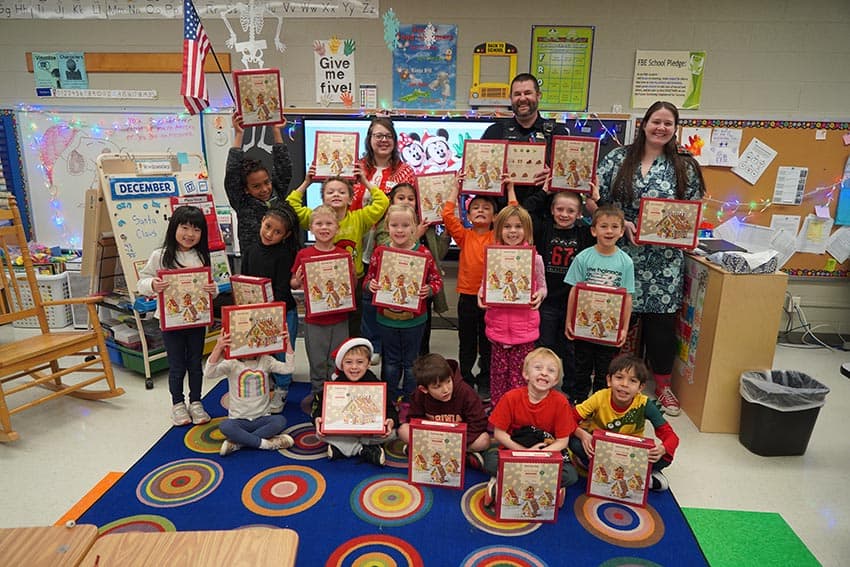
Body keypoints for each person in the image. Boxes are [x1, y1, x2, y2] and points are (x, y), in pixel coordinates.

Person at [596, 101, 706, 416]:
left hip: (665, 262)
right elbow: (597, 199)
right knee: (617, 322)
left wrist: (682, 230)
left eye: (668, 124)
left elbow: (693, 209)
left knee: (660, 327)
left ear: (674, 129)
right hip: (622, 256)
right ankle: (610, 381)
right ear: (644, 124)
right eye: (656, 121)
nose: (661, 128)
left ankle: (663, 386)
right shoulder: (618, 158)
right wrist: (618, 220)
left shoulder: (685, 166)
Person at [137, 205, 219, 426]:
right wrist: (153, 284)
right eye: (184, 227)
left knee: (194, 362)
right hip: (170, 320)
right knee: (176, 365)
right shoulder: (160, 256)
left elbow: (210, 285)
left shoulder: (202, 256)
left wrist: (214, 290)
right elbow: (141, 281)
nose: (189, 234)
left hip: (195, 320)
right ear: (174, 227)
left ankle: (196, 402)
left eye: (196, 229)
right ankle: (177, 404)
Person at [288, 167, 389, 338]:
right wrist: (307, 182)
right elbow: (290, 204)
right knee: (325, 328)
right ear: (323, 198)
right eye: (330, 192)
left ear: (350, 199)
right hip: (321, 283)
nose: (336, 194)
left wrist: (364, 181)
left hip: (353, 282)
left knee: (353, 326)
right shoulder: (315, 218)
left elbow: (382, 202)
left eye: (342, 192)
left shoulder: (359, 218)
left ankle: (352, 360)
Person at [482, 347, 579, 508]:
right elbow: (499, 434)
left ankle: (505, 479)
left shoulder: (561, 402)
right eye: (538, 368)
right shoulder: (510, 397)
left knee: (571, 475)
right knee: (490, 461)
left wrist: (537, 455)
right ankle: (545, 484)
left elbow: (562, 441)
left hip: (546, 451)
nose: (544, 373)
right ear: (526, 374)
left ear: (555, 380)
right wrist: (523, 452)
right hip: (515, 449)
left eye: (551, 370)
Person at [364, 183, 450, 361]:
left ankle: (419, 372)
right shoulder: (385, 233)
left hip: (417, 305)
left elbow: (437, 257)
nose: (406, 202)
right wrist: (415, 234)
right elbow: (374, 271)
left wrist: (446, 232)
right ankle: (392, 387)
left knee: (418, 350)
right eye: (401, 198)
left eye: (411, 199)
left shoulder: (428, 226)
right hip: (388, 309)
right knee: (391, 356)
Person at [365, 204, 443, 401]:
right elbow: (368, 280)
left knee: (411, 362)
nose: (399, 230)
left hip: (414, 320)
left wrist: (430, 289)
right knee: (390, 361)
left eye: (405, 225)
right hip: (386, 319)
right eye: (394, 225)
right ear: (387, 227)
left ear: (414, 227)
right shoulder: (380, 252)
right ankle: (389, 400)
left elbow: (436, 280)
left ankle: (411, 400)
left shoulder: (423, 253)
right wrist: (371, 285)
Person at [568, 354, 679, 491]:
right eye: (619, 378)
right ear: (609, 380)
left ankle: (597, 469)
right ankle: (640, 477)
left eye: (632, 380)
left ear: (640, 387)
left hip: (630, 452)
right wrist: (582, 435)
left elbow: (671, 436)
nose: (624, 385)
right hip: (601, 448)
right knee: (573, 441)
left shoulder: (645, 404)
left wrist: (662, 449)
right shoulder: (600, 397)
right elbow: (568, 419)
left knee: (665, 457)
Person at [479, 183, 546, 407]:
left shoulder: (535, 258)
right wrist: (482, 294)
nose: (513, 231)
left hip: (524, 331)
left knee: (520, 376)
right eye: (507, 226)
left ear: (527, 230)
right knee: (498, 375)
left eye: (518, 227)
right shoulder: (493, 257)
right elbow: (485, 285)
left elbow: (542, 286)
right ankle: (498, 412)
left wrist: (540, 295)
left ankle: (517, 413)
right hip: (497, 328)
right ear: (499, 230)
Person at [523, 187, 594, 399]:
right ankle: (542, 386)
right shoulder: (543, 229)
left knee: (572, 349)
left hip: (574, 302)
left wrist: (594, 197)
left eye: (570, 211)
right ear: (552, 210)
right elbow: (526, 212)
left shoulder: (583, 233)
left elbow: (604, 217)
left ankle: (572, 391)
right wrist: (544, 191)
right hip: (548, 301)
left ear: (579, 213)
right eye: (560, 209)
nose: (564, 214)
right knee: (544, 345)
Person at [564, 205, 635, 403]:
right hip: (583, 326)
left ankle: (599, 405)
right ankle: (577, 404)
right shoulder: (583, 257)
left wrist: (623, 328)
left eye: (614, 227)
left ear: (622, 232)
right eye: (604, 226)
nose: (609, 231)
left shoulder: (625, 262)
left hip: (609, 330)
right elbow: (574, 291)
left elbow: (627, 297)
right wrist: (569, 321)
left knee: (605, 370)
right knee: (581, 368)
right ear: (594, 230)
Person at [239, 205, 301, 412]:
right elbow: (244, 281)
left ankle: (282, 390)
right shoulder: (250, 250)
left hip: (282, 312)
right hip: (257, 313)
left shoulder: (284, 255)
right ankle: (269, 384)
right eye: (267, 227)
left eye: (277, 232)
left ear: (286, 235)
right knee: (262, 352)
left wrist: (268, 305)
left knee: (282, 352)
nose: (269, 234)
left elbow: (282, 289)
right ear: (263, 220)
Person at [291, 205, 354, 401]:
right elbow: (293, 283)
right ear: (311, 227)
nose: (324, 227)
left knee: (336, 360)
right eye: (319, 223)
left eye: (329, 223)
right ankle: (318, 396)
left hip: (339, 318)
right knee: (317, 361)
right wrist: (298, 281)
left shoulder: (343, 255)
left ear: (337, 227)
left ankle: (335, 397)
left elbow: (352, 285)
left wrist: (349, 276)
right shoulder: (304, 254)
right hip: (314, 320)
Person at [441, 176, 495, 401]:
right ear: (468, 215)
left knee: (487, 343)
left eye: (486, 208)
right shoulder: (464, 236)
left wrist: (510, 189)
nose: (480, 211)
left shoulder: (498, 236)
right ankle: (465, 377)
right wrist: (456, 188)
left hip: (491, 300)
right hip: (467, 297)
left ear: (495, 216)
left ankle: (485, 379)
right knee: (467, 342)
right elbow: (447, 215)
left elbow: (514, 214)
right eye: (475, 208)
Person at [481, 73, 569, 206]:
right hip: (503, 215)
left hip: (544, 215)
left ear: (538, 96)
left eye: (528, 93)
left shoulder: (557, 133)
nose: (522, 99)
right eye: (517, 94)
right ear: (511, 98)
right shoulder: (495, 132)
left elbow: (570, 177)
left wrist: (555, 177)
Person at [204, 331, 296, 456]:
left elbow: (289, 368)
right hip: (239, 420)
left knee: (280, 421)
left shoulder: (266, 360)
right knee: (225, 426)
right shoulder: (232, 363)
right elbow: (209, 373)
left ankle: (239, 443)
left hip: (262, 418)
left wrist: (288, 343)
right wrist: (218, 347)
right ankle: (266, 444)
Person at [311, 338, 398, 466]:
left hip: (368, 429)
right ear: (341, 364)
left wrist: (390, 421)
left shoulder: (376, 385)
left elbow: (389, 409)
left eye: (360, 362)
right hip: (345, 428)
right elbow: (320, 406)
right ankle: (363, 449)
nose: (354, 367)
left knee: (393, 433)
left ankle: (342, 448)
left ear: (368, 364)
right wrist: (317, 419)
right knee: (320, 434)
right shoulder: (335, 385)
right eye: (348, 362)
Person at [397, 353, 490, 463]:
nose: (446, 389)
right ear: (424, 389)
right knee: (403, 430)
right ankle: (463, 456)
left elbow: (479, 423)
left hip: (458, 439)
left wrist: (453, 441)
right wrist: (433, 437)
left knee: (484, 440)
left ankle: (425, 451)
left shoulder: (466, 392)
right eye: (437, 386)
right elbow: (414, 419)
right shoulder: (419, 395)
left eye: (448, 381)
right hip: (432, 436)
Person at [224, 112, 292, 252]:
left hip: (281, 260)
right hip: (253, 263)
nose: (265, 189)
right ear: (246, 189)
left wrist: (276, 130)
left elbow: (283, 167)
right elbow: (232, 174)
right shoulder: (241, 202)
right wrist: (239, 134)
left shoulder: (277, 194)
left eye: (267, 182)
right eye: (256, 186)